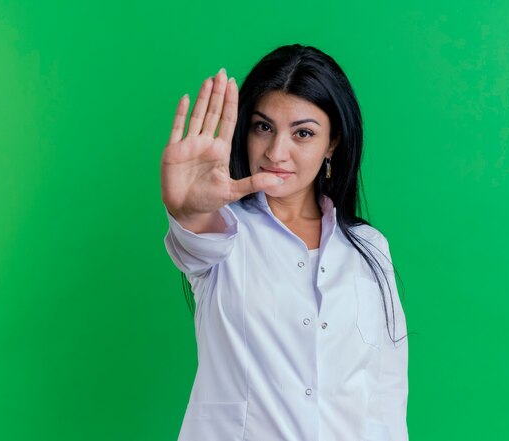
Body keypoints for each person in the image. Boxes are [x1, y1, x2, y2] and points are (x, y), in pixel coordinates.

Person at [161, 44, 408, 441]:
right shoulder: (224, 230)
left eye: (303, 133)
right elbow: (195, 239)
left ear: (332, 144)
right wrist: (188, 211)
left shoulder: (369, 248)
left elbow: (386, 393)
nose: (276, 152)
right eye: (264, 127)